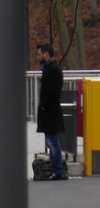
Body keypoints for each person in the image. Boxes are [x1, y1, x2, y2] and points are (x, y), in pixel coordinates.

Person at [36, 43, 67, 180]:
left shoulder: (53, 70)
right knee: (52, 141)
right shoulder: (51, 69)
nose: (38, 57)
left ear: (46, 54)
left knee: (53, 141)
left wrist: (44, 105)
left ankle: (58, 170)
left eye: (39, 54)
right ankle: (57, 169)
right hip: (50, 111)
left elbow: (52, 92)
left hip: (50, 112)